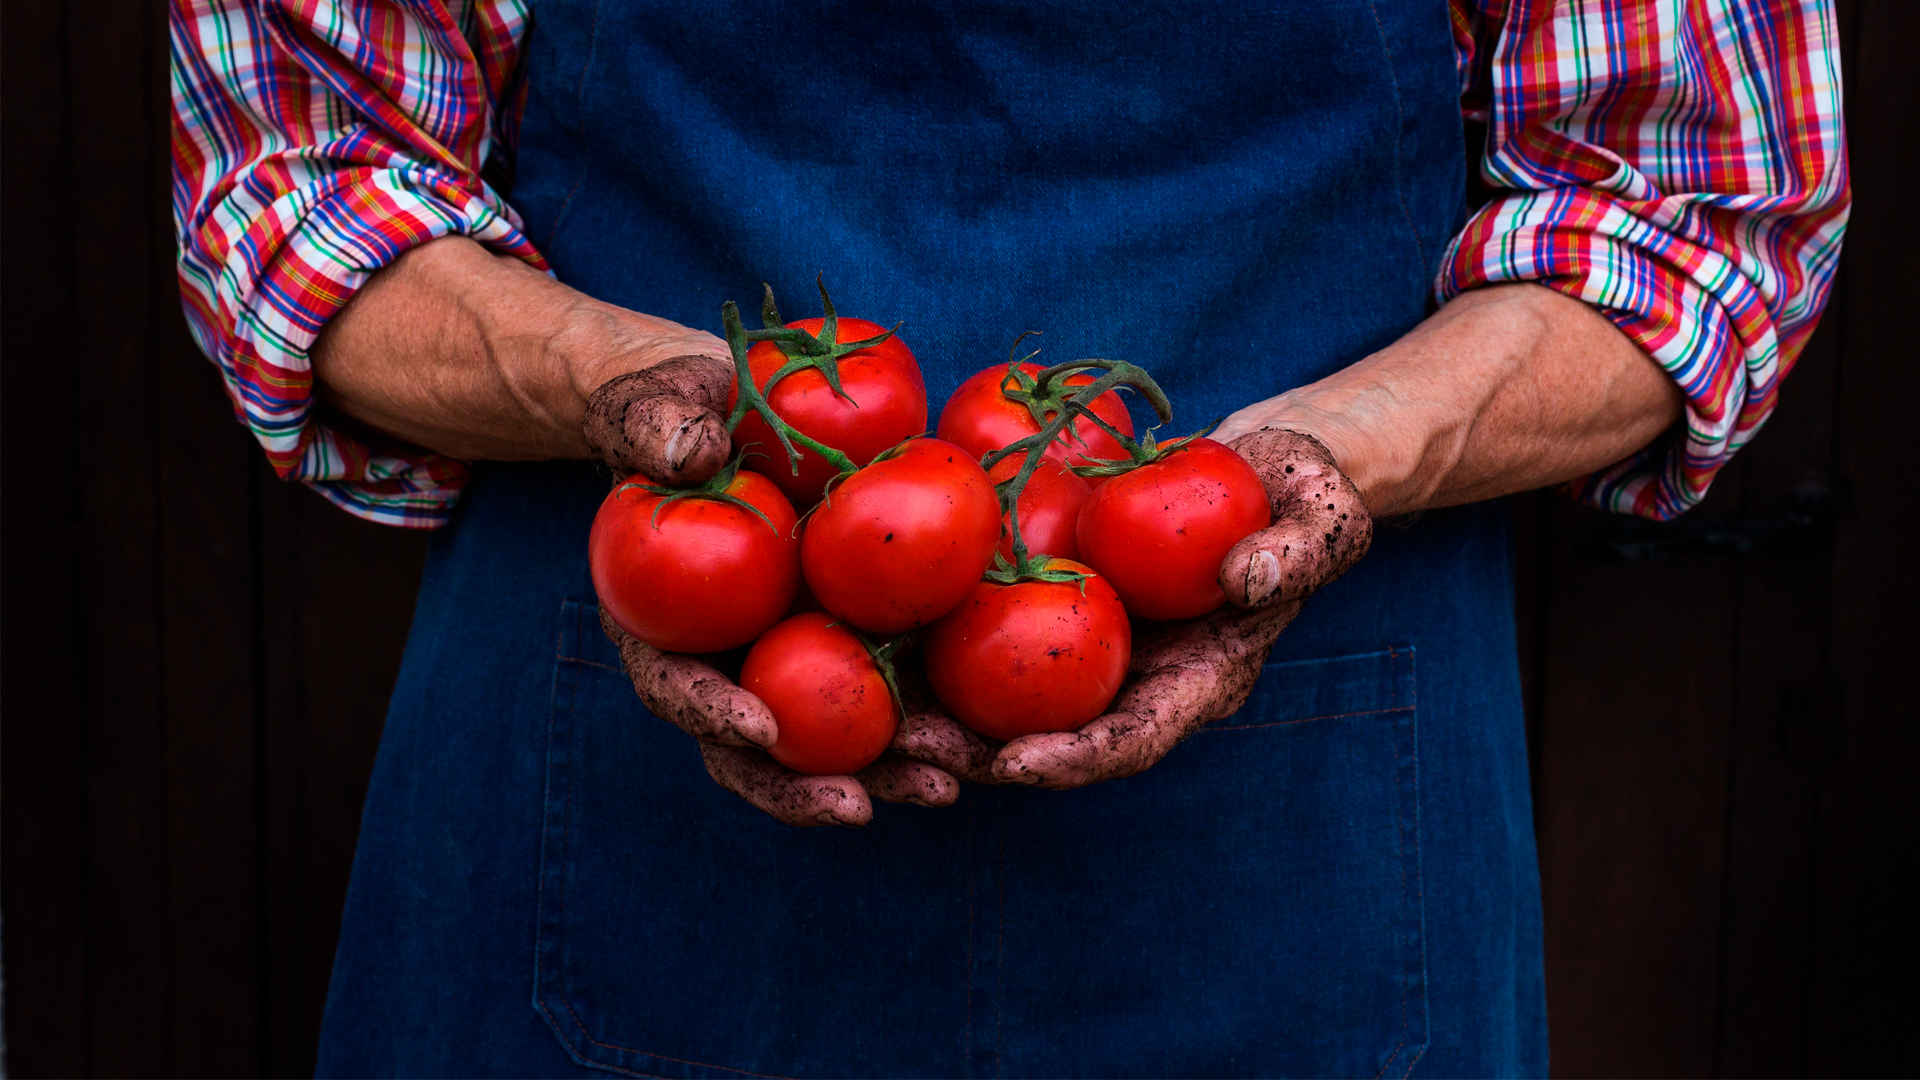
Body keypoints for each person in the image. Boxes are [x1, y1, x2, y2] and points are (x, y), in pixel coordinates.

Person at [171, 1, 1847, 1076]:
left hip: (1308, 824)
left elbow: (1690, 211)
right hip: (616, 774)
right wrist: (630, 390)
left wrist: (1316, 468)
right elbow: (302, 179)